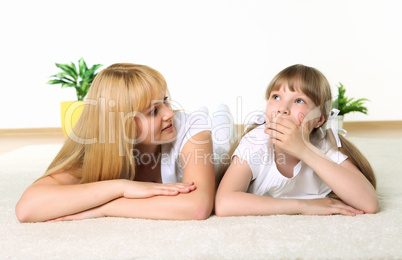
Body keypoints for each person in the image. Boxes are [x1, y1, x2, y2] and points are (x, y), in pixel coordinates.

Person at [16, 63, 236, 222]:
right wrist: (122, 186)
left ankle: (220, 113)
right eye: (154, 111)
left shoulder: (189, 127)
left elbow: (197, 208)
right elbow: (27, 208)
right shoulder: (98, 148)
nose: (169, 113)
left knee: (222, 135)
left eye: (166, 101)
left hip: (214, 150)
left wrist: (105, 207)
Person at [215, 64, 378, 217]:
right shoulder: (256, 142)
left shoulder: (325, 143)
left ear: (319, 119)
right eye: (276, 96)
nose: (282, 108)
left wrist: (304, 150)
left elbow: (369, 203)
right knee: (218, 151)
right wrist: (304, 205)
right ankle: (222, 121)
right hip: (229, 146)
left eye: (299, 100)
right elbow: (224, 203)